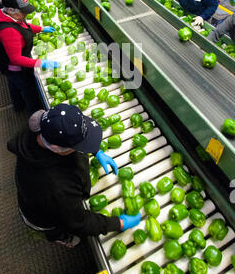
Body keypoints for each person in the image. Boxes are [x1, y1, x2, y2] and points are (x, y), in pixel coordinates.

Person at [7, 104, 142, 248]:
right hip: (41, 216)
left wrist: (96, 151)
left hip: (34, 196)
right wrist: (119, 223)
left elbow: (70, 137)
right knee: (56, 229)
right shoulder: (56, 187)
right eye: (78, 146)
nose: (81, 149)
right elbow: (79, 222)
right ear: (56, 149)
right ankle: (63, 239)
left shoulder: (41, 130)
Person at [0, 0, 60, 114]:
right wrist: (40, 62)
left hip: (9, 64)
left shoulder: (10, 17)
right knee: (27, 90)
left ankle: (18, 105)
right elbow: (16, 59)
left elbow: (23, 26)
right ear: (11, 10)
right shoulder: (8, 31)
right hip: (15, 68)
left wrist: (41, 29)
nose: (26, 14)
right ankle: (32, 112)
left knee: (13, 85)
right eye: (24, 12)